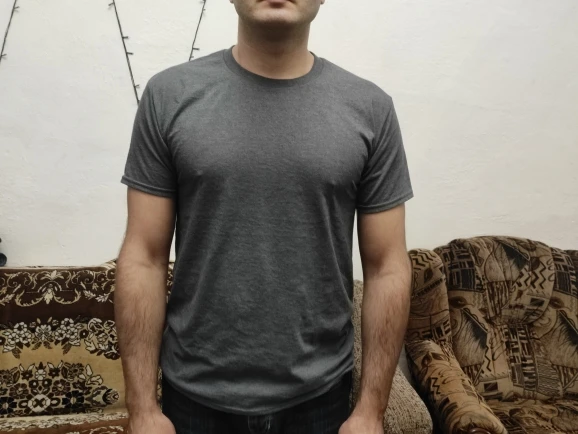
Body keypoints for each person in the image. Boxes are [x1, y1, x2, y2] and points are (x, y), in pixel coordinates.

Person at [115, 0, 414, 433]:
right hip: (194, 402)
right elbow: (144, 256)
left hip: (320, 402)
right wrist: (141, 408)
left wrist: (371, 412)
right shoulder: (168, 96)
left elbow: (388, 267)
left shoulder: (371, 109)